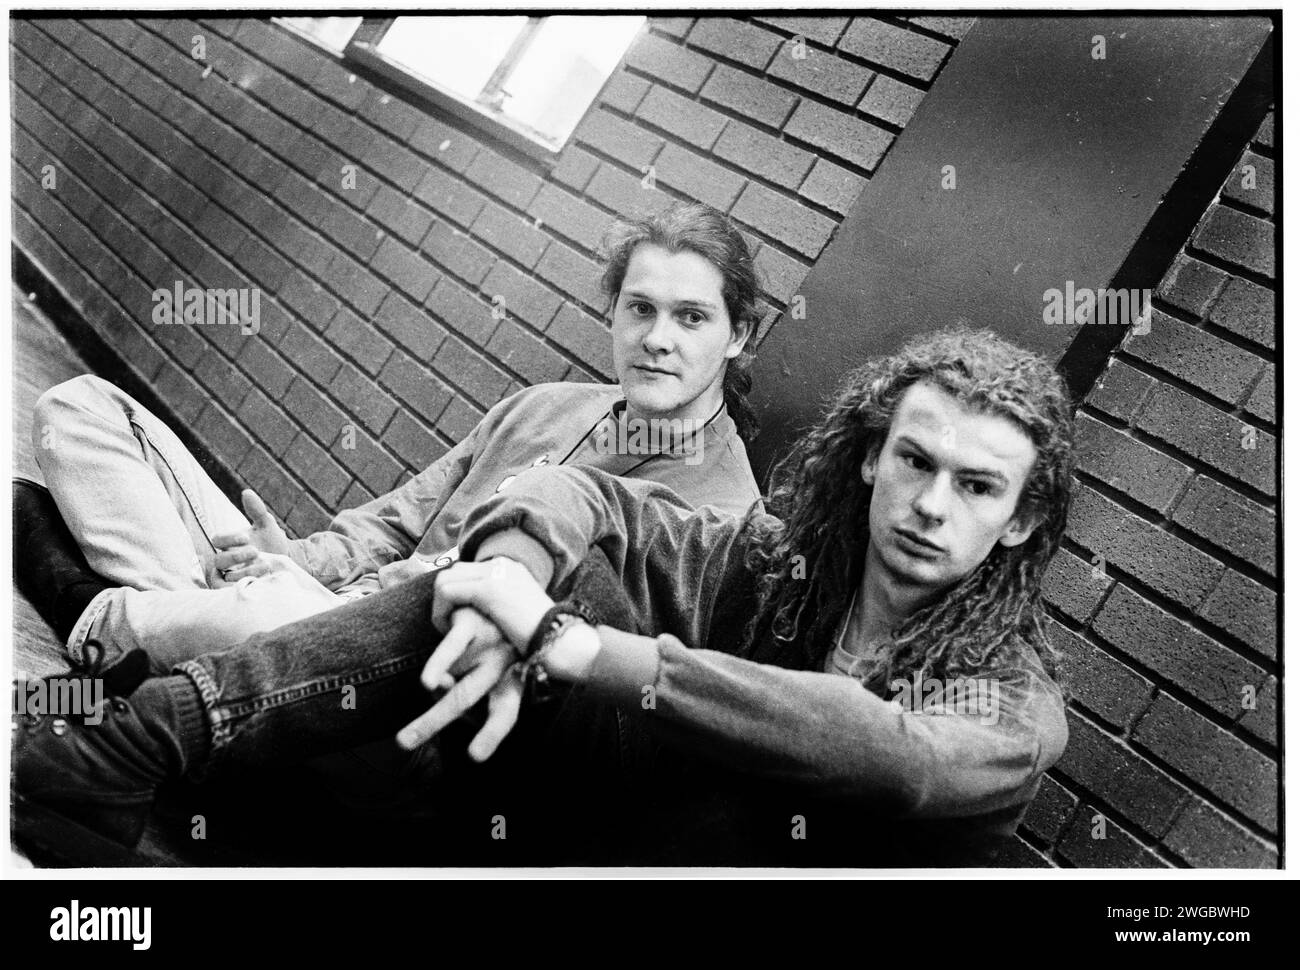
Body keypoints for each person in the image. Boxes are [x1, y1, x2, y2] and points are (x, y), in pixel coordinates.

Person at [13, 327, 1075, 867]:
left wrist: (568, 644)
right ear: (867, 461)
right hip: (525, 798)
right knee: (474, 587)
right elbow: (581, 493)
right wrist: (507, 578)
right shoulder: (780, 558)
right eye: (913, 461)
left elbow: (888, 755)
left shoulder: (1005, 706)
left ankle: (142, 712)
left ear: (1020, 519)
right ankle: (131, 747)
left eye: (976, 485)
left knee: (750, 756)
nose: (931, 503)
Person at [17, 202, 763, 676]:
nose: (657, 339)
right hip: (315, 594)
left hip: (382, 662)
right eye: (640, 309)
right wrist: (293, 557)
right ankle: (184, 637)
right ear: (613, 315)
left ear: (738, 338)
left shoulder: (721, 520)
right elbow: (399, 517)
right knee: (79, 407)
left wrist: (308, 600)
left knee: (258, 616)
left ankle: (105, 621)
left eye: (691, 318)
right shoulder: (545, 406)